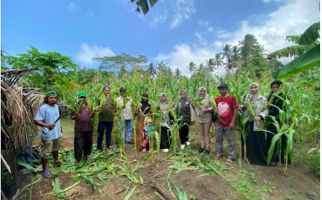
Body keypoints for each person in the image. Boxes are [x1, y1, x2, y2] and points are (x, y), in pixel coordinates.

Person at [33, 91, 62, 178]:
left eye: (54, 98)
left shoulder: (56, 106)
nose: (53, 99)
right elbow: (35, 120)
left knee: (56, 148)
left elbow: (57, 119)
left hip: (57, 133)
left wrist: (60, 129)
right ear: (47, 99)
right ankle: (45, 170)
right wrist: (47, 125)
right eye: (51, 98)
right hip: (48, 133)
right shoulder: (43, 108)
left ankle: (56, 161)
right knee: (46, 152)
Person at [241, 83, 268, 165]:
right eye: (252, 87)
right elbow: (241, 106)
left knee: (259, 140)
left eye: (255, 87)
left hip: (258, 122)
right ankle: (250, 159)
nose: (253, 89)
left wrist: (260, 116)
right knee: (250, 141)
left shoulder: (262, 99)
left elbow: (266, 110)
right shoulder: (246, 97)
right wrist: (243, 106)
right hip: (248, 122)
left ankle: (260, 160)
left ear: (258, 88)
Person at [266, 80, 290, 164]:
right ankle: (272, 159)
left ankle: (280, 159)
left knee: (282, 139)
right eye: (273, 87)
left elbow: (287, 110)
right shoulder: (270, 97)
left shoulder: (285, 96)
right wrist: (268, 106)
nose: (275, 89)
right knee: (271, 139)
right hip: (272, 121)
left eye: (277, 87)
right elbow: (266, 108)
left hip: (281, 121)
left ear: (280, 87)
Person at [214, 83, 239, 162]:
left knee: (230, 140)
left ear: (226, 89)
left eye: (223, 89)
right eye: (220, 89)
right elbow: (215, 109)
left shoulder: (232, 98)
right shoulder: (217, 99)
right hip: (219, 123)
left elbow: (236, 110)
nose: (222, 90)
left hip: (229, 123)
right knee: (218, 139)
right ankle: (219, 152)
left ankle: (231, 156)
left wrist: (233, 122)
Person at [71, 91, 94, 164]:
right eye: (81, 97)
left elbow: (92, 116)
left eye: (83, 97)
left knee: (88, 143)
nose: (82, 99)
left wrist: (93, 113)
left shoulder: (89, 106)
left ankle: (86, 155)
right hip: (79, 128)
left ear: (85, 98)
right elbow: (71, 117)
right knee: (79, 144)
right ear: (78, 98)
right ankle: (78, 159)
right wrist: (76, 115)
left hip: (89, 127)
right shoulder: (75, 106)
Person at [192, 87, 213, 154]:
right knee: (201, 133)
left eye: (203, 91)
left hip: (207, 117)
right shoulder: (197, 99)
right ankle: (202, 146)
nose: (202, 92)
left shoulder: (209, 97)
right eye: (201, 91)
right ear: (199, 92)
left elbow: (213, 106)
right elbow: (194, 107)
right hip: (199, 118)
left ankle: (207, 148)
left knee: (206, 133)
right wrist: (193, 104)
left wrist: (208, 109)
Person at [97, 85, 116, 152]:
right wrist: (99, 108)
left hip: (110, 119)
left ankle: (107, 147)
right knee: (100, 134)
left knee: (108, 134)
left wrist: (115, 110)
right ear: (103, 91)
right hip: (102, 119)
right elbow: (96, 108)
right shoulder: (100, 98)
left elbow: (115, 108)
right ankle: (99, 148)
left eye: (108, 90)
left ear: (110, 91)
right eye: (105, 90)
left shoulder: (112, 99)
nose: (107, 91)